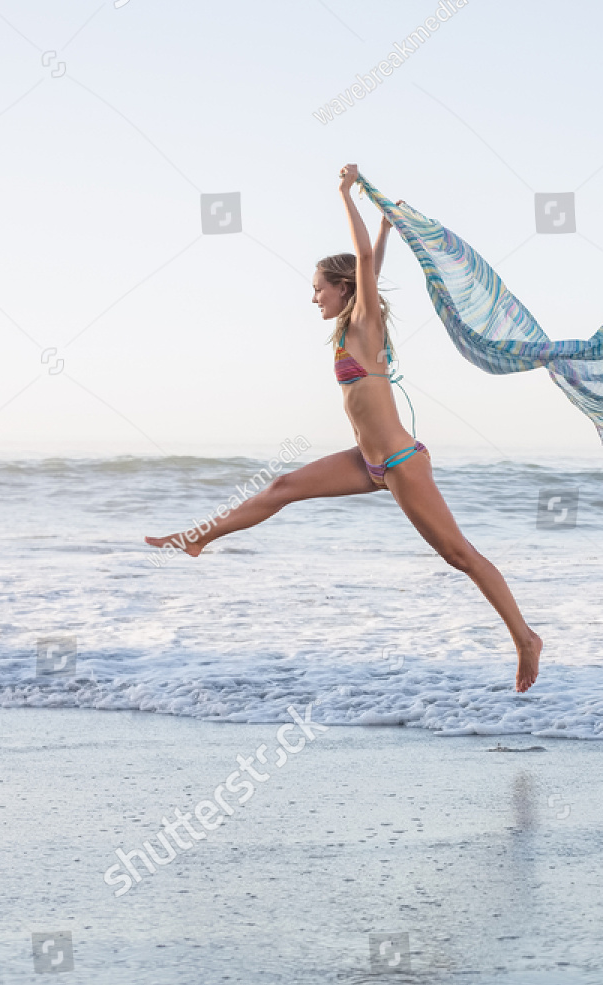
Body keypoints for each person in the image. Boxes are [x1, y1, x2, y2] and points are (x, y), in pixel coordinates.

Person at [147, 163, 542, 692]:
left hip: (400, 463)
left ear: (341, 288)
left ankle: (523, 637)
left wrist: (345, 195)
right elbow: (368, 265)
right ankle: (198, 538)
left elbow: (364, 268)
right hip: (366, 462)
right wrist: (382, 227)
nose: (313, 297)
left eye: (318, 289)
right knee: (281, 487)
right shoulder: (346, 329)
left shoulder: (364, 324)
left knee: (458, 555)